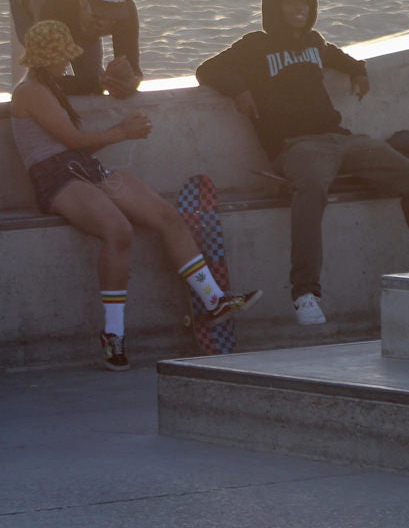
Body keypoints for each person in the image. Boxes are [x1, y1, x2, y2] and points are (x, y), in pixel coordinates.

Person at [196, 0, 409, 325]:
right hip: (296, 146)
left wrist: (358, 71)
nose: (300, 7)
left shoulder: (315, 43)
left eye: (305, 1)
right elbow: (206, 69)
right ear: (273, 7)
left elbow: (342, 59)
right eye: (290, 0)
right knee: (312, 188)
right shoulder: (255, 45)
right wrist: (239, 90)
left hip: (341, 138)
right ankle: (305, 293)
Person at [12, 21, 260, 370]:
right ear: (45, 59)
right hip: (56, 178)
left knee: (167, 217)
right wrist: (122, 132)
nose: (65, 63)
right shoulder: (31, 91)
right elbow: (72, 140)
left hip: (85, 169)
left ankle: (214, 300)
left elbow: (90, 92)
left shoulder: (51, 83)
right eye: (61, 57)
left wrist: (114, 78)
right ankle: (113, 334)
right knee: (119, 232)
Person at [9, 0, 142, 96]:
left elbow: (133, 70)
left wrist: (129, 81)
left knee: (91, 78)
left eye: (112, 20)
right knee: (46, 78)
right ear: (82, 1)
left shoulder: (126, 11)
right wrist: (98, 82)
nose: (104, 24)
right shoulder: (50, 10)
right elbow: (46, 81)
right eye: (98, 16)